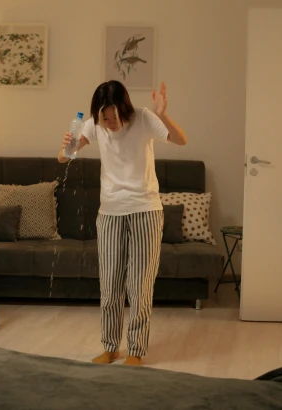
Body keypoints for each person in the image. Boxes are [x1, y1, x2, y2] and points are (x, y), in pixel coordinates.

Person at [57, 80, 187, 366]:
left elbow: (181, 140)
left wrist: (163, 114)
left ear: (125, 110)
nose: (110, 124)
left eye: (114, 118)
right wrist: (68, 146)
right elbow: (63, 158)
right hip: (110, 213)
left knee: (140, 285)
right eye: (104, 119)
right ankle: (110, 346)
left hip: (145, 210)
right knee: (110, 284)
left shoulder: (144, 117)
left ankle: (137, 350)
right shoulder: (93, 124)